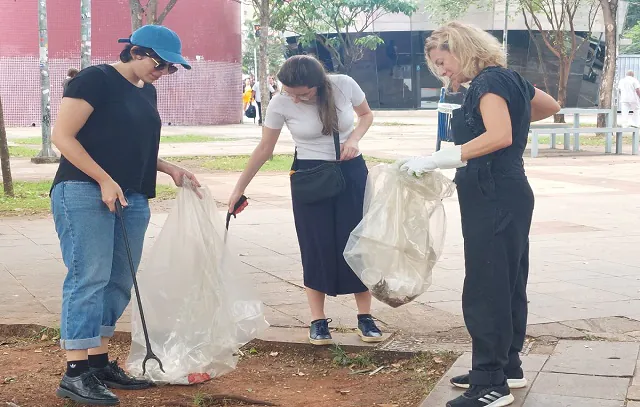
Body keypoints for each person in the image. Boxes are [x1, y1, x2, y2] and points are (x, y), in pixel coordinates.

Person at [400, 22, 560, 407]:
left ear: (463, 49)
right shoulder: (507, 80)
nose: (442, 71)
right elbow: (550, 106)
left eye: (443, 61)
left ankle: (491, 384)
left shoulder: (489, 84)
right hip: (506, 190)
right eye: (436, 65)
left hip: (493, 194)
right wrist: (513, 120)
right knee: (507, 281)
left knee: (486, 288)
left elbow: (500, 135)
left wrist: (440, 158)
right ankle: (507, 367)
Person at [50, 24, 200, 406]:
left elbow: (132, 145)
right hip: (84, 191)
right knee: (89, 276)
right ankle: (76, 372)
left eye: (171, 69)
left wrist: (170, 170)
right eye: (161, 64)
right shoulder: (94, 80)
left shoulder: (146, 90)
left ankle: (98, 363)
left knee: (119, 279)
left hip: (132, 194)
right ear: (136, 52)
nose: (164, 73)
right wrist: (102, 179)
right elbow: (62, 137)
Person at [228, 55, 384, 346]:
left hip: (351, 172)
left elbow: (366, 115)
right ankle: (318, 320)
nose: (294, 99)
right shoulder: (280, 102)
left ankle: (365, 317)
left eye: (301, 94)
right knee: (316, 244)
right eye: (289, 92)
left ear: (316, 85)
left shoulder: (343, 85)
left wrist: (354, 140)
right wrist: (239, 187)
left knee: (358, 243)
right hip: (310, 177)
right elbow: (265, 148)